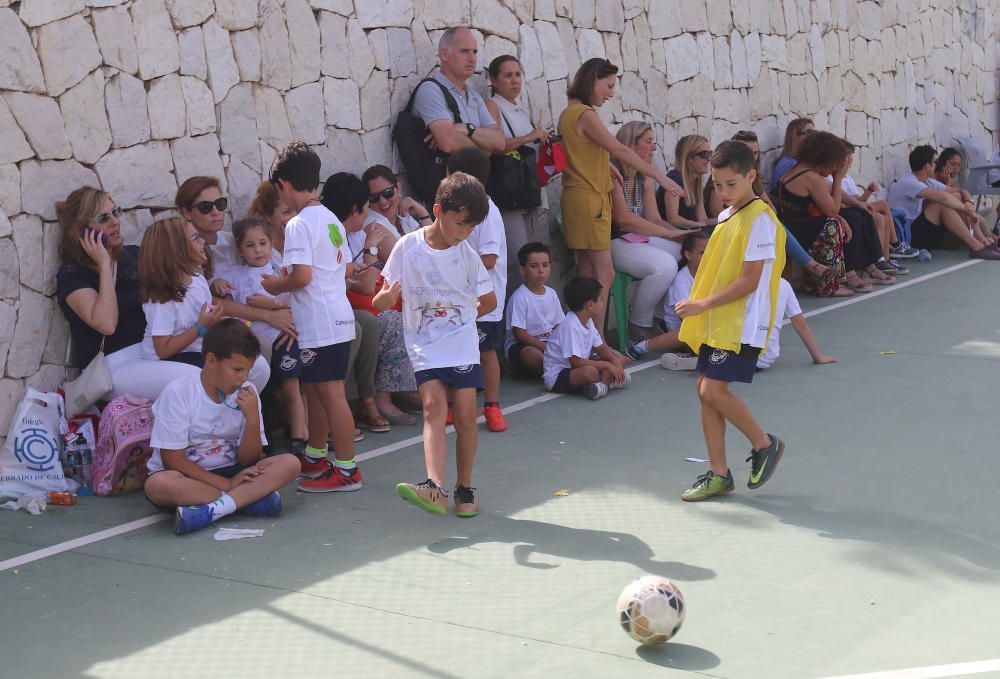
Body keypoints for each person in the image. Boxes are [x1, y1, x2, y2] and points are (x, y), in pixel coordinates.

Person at [373, 173, 498, 517]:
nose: (464, 233)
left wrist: (468, 312)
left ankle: (465, 486)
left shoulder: (468, 256)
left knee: (467, 417)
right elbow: (380, 301)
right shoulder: (407, 248)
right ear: (437, 210)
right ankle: (434, 487)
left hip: (459, 342)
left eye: (471, 228)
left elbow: (488, 301)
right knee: (432, 408)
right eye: (459, 224)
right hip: (424, 342)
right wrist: (386, 297)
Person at [675, 140, 786, 502]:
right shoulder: (727, 215)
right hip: (721, 321)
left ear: (751, 176)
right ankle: (719, 473)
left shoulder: (760, 220)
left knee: (712, 390)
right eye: (717, 185)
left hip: (740, 323)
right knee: (704, 390)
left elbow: (749, 281)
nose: (722, 192)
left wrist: (701, 304)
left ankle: (764, 443)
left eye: (730, 185)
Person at [558, 57, 685, 337]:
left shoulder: (568, 113)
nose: (611, 93)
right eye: (609, 85)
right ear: (593, 80)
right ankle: (599, 343)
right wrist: (660, 176)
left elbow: (584, 153)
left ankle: (585, 340)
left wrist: (606, 165)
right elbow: (621, 150)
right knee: (605, 275)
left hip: (576, 199)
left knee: (586, 275)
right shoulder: (585, 113)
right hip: (591, 202)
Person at [263, 142, 363, 492]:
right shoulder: (331, 218)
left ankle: (347, 469)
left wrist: (276, 285)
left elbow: (301, 277)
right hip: (337, 316)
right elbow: (346, 266)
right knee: (319, 390)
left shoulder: (297, 226)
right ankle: (316, 456)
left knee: (330, 393)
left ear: (283, 186)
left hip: (318, 322)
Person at [143, 319, 300, 535]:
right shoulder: (179, 392)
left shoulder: (248, 392)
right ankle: (247, 499)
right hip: (188, 476)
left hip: (234, 470)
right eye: (236, 369)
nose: (243, 378)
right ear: (211, 360)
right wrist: (226, 484)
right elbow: (172, 460)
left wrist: (253, 417)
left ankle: (212, 510)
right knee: (158, 485)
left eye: (247, 371)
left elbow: (249, 460)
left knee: (290, 463)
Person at [320, 172, 418, 429]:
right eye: (367, 206)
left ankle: (380, 399)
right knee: (391, 322)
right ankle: (380, 400)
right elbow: (364, 286)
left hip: (356, 306)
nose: (370, 213)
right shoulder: (333, 235)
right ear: (354, 209)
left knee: (398, 316)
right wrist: (371, 247)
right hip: (340, 309)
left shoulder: (349, 232)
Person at [137, 217, 271, 390]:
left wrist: (222, 320)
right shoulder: (162, 297)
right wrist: (201, 326)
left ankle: (241, 411)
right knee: (230, 373)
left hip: (196, 350)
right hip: (170, 360)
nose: (203, 241)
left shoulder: (198, 280)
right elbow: (162, 349)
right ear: (177, 250)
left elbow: (207, 322)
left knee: (257, 364)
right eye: (195, 238)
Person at [55, 187, 157, 403]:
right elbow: (107, 324)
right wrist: (103, 264)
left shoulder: (134, 255)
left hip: (151, 352)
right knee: (192, 379)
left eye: (115, 212)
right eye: (103, 217)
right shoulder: (72, 274)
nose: (115, 222)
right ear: (82, 231)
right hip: (112, 368)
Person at [177, 177, 297, 352]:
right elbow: (208, 301)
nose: (216, 211)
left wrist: (284, 314)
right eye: (205, 207)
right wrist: (268, 316)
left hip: (258, 316)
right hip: (216, 327)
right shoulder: (186, 252)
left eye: (220, 203)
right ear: (187, 212)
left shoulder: (234, 241)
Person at [226, 216, 307, 457]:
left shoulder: (279, 269)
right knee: (262, 391)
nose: (258, 250)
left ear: (271, 244)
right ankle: (264, 437)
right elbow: (220, 294)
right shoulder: (235, 274)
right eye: (250, 245)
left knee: (292, 388)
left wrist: (269, 304)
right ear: (240, 250)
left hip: (284, 338)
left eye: (262, 243)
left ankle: (300, 438)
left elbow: (295, 298)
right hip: (256, 346)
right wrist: (218, 283)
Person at [709, 130, 833, 286]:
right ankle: (810, 265)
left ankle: (804, 269)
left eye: (755, 153)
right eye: (748, 153)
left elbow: (770, 209)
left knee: (770, 223)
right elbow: (718, 212)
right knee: (771, 225)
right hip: (723, 226)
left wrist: (756, 210)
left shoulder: (751, 177)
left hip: (749, 223)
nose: (752, 158)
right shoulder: (723, 176)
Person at [609, 122, 690, 340]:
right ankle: (638, 323)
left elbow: (654, 218)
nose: (654, 147)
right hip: (613, 241)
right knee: (665, 265)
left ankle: (664, 316)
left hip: (637, 238)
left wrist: (681, 235)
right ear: (629, 145)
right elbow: (623, 219)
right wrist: (667, 234)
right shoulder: (614, 173)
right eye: (648, 142)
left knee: (684, 252)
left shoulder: (642, 176)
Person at [445, 148, 507, 433]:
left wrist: (455, 271)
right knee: (456, 348)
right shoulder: (457, 212)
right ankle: (453, 405)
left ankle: (492, 406)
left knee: (486, 351)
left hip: (485, 298)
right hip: (459, 294)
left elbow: (490, 259)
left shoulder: (489, 214)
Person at [484, 54, 552, 293]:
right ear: (493, 79)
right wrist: (528, 137)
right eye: (508, 75)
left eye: (518, 74)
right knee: (517, 260)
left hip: (527, 190)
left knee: (535, 258)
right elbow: (494, 144)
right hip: (510, 193)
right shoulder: (493, 106)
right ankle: (513, 323)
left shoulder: (517, 109)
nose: (515, 81)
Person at [410, 26, 504, 197]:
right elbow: (448, 142)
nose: (472, 58)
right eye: (465, 51)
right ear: (445, 55)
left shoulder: (474, 97)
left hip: (474, 194)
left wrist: (467, 129)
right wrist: (483, 146)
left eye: (475, 52)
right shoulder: (431, 90)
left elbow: (499, 142)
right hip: (445, 199)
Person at [771, 131, 859, 296]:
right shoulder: (812, 178)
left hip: (791, 224)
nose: (835, 169)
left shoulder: (800, 169)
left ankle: (815, 280)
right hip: (794, 232)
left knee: (841, 220)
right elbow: (833, 210)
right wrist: (839, 179)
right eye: (834, 164)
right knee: (833, 225)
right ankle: (828, 285)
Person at [888, 145, 999, 259]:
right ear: (927, 167)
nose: (937, 165)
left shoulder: (927, 181)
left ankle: (983, 241)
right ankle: (976, 246)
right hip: (908, 239)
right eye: (934, 162)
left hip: (921, 230)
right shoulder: (908, 182)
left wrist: (968, 202)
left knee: (956, 196)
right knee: (941, 205)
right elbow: (943, 198)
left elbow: (960, 191)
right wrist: (968, 210)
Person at [627, 230, 709, 371]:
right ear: (688, 255)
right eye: (702, 253)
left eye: (711, 251)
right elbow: (685, 319)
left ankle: (697, 360)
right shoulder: (681, 280)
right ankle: (642, 347)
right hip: (683, 332)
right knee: (691, 333)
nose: (709, 256)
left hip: (705, 328)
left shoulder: (710, 274)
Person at [542, 276, 629, 400]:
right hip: (559, 376)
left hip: (578, 368)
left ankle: (601, 384)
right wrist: (608, 366)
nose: (603, 304)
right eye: (601, 300)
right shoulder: (570, 325)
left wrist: (616, 366)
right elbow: (576, 362)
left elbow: (603, 349)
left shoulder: (588, 321)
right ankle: (606, 383)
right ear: (590, 304)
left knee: (618, 359)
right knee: (590, 372)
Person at [834, 140, 910, 276]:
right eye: (847, 160)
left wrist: (868, 192)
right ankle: (887, 252)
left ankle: (886, 258)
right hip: (848, 211)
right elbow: (842, 203)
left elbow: (858, 200)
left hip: (854, 207)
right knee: (880, 217)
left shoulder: (848, 179)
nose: (849, 164)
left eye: (851, 161)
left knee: (885, 215)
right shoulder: (832, 178)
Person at [505, 242, 564, 378]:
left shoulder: (551, 294)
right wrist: (547, 349)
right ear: (523, 270)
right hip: (525, 345)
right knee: (533, 356)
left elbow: (560, 325)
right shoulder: (520, 297)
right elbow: (520, 333)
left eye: (545, 265)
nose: (541, 271)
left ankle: (557, 368)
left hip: (549, 342)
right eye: (534, 266)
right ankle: (557, 370)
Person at [756, 278, 838, 370]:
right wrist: (818, 357)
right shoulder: (783, 284)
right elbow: (801, 326)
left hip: (747, 357)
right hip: (765, 357)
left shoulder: (743, 281)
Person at [933, 147, 997, 243]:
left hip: (965, 219)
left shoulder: (951, 180)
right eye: (952, 164)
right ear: (943, 163)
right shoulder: (933, 181)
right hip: (950, 227)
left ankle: (989, 237)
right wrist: (948, 183)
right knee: (979, 219)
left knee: (991, 212)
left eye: (958, 165)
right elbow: (946, 202)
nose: (956, 168)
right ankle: (990, 240)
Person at [658, 135, 716, 230]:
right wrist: (698, 225)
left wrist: (727, 217)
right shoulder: (675, 179)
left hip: (685, 234)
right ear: (689, 158)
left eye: (710, 153)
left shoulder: (695, 184)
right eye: (705, 154)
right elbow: (673, 219)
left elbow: (703, 220)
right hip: (669, 236)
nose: (709, 159)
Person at [362, 164, 432, 239]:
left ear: (398, 188)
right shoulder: (374, 224)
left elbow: (433, 242)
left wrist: (422, 213)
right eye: (374, 197)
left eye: (387, 192)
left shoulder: (402, 216)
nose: (382, 202)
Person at [770, 117, 815, 188]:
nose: (814, 136)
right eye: (809, 132)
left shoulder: (803, 161)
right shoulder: (788, 163)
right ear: (795, 136)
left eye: (815, 132)